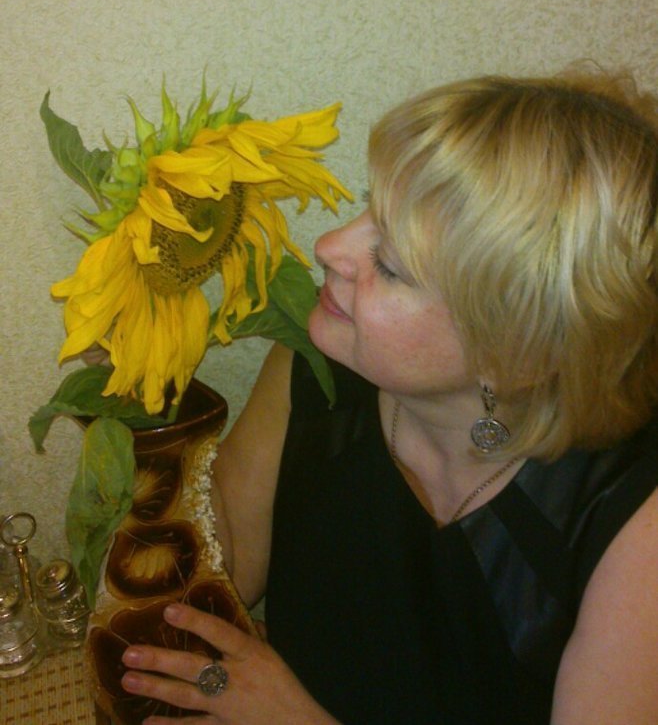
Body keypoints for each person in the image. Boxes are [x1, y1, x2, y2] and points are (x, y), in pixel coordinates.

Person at [118, 67, 658, 724]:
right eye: (370, 209)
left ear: (514, 354)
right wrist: (142, 383)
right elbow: (221, 562)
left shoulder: (634, 531)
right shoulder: (318, 365)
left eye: (391, 264)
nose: (329, 248)